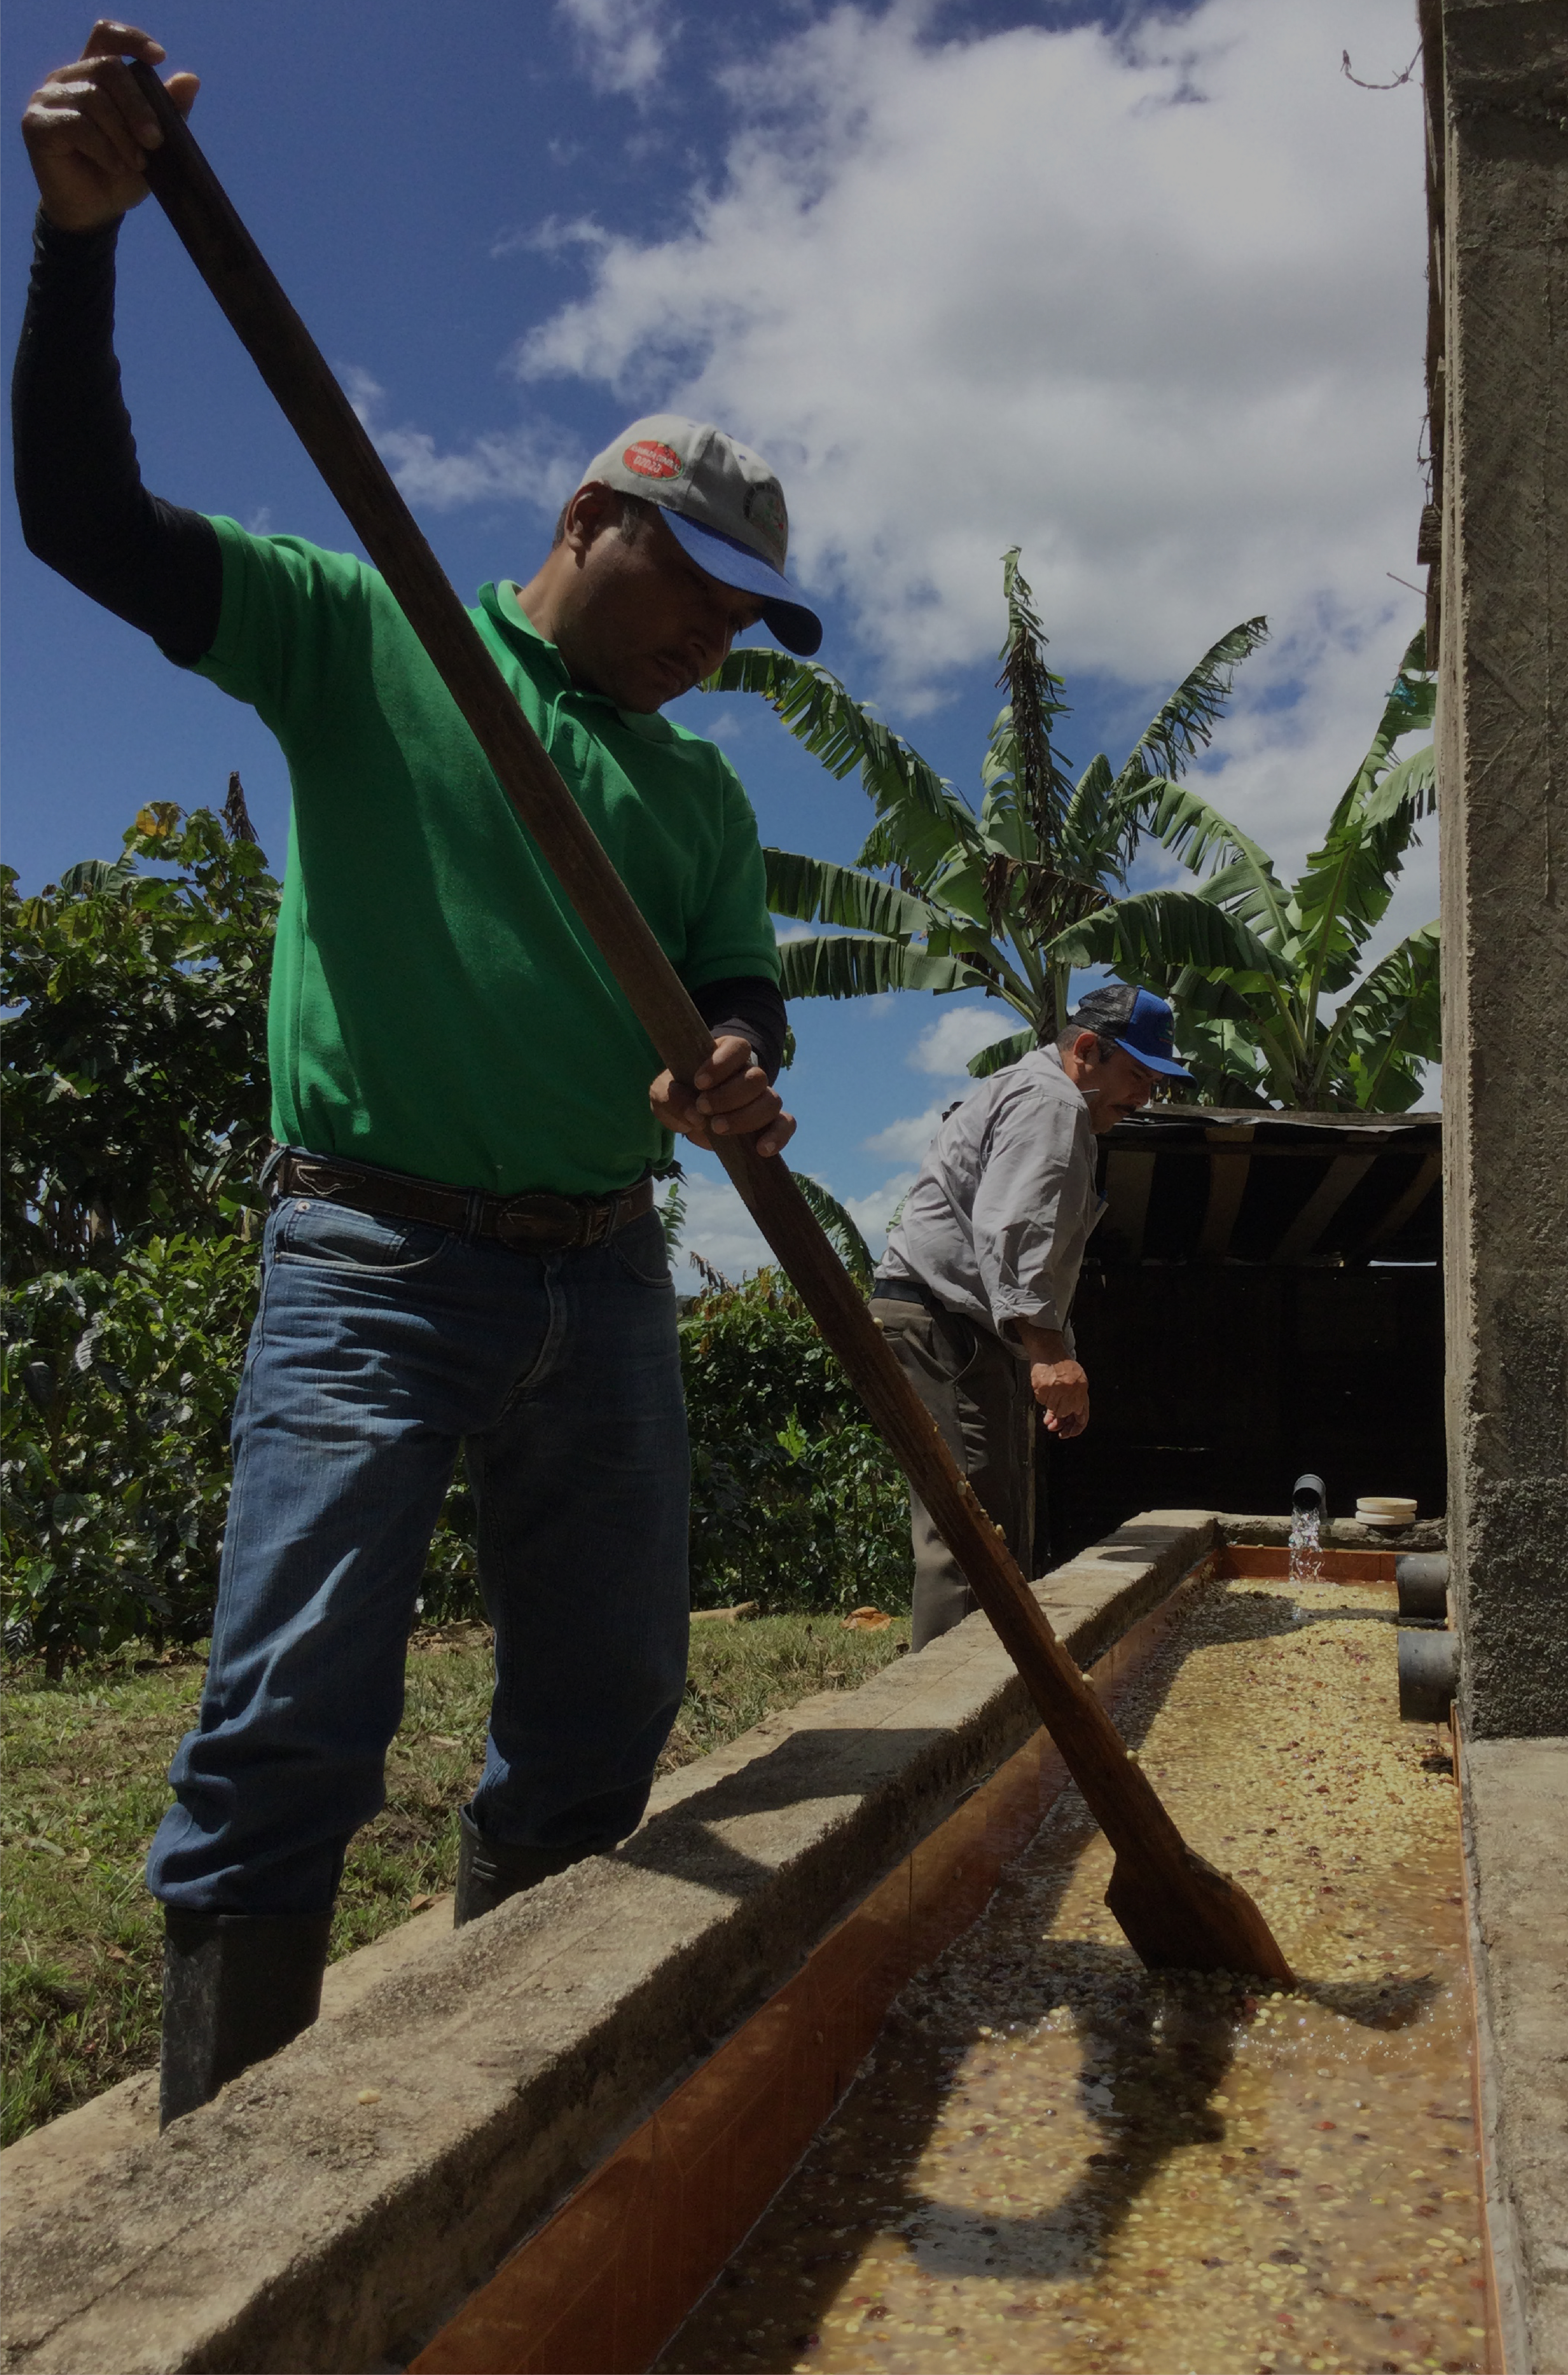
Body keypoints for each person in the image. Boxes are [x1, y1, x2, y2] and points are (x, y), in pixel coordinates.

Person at [15, 22, 823, 2124]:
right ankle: (215, 2210)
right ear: (589, 520)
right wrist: (82, 248)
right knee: (291, 1715)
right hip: (371, 1263)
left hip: (607, 1279)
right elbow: (85, 517)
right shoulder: (362, 639)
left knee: (605, 1713)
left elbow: (742, 991)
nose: (714, 643)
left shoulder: (697, 795)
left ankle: (499, 2118)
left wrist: (731, 1064)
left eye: (751, 623)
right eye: (699, 594)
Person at [872, 984, 1191, 1651]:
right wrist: (1048, 1355)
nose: (1145, 1098)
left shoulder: (1040, 1095)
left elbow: (1030, 1249)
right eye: (1137, 1076)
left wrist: (1054, 1348)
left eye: (1157, 1084)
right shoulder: (1051, 1100)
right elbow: (1014, 1229)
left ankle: (986, 1702)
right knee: (970, 1540)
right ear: (1085, 1050)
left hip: (957, 1326)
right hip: (944, 1325)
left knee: (988, 1526)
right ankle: (949, 1734)